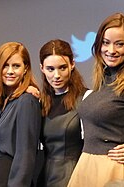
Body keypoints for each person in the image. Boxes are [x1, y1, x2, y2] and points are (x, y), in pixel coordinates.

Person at [68, 12, 124, 187]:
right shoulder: (105, 79)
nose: (111, 50)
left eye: (120, 44)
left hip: (114, 170)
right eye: (106, 42)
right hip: (88, 165)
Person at [0, 41, 42, 186]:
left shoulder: (27, 101)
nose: (10, 71)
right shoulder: (1, 103)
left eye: (16, 66)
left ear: (25, 69)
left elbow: (25, 155)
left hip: (13, 179)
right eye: (5, 65)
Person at [36, 39, 87, 187]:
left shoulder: (86, 98)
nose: (56, 75)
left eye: (62, 68)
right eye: (50, 69)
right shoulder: (40, 102)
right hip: (44, 176)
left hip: (74, 176)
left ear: (72, 65)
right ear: (42, 68)